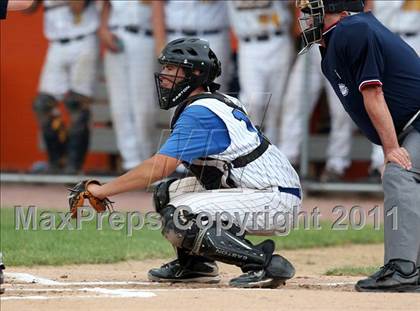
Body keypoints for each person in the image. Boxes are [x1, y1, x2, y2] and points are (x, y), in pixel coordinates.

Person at [82, 38, 301, 288]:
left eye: (171, 69)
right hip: (260, 189)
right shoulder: (212, 102)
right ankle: (196, 266)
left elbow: (158, 167)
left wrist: (102, 190)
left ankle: (263, 263)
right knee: (167, 193)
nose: (164, 76)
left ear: (196, 73)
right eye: (164, 67)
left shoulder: (201, 112)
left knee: (178, 217)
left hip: (271, 198)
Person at [297, 0, 420, 292]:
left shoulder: (353, 29)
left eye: (315, 11)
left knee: (399, 173)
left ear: (341, 12)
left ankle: (403, 270)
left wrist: (390, 150)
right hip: (413, 126)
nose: (307, 18)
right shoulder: (340, 36)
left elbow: (374, 93)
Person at [30, 0, 99, 174]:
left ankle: (73, 167)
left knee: (77, 103)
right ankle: (56, 161)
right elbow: (27, 8)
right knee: (42, 104)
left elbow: (78, 7)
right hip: (55, 43)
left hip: (83, 40)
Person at [278, 44, 353, 182]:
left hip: (338, 46)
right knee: (294, 103)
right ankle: (288, 161)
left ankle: (336, 165)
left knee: (342, 111)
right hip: (311, 47)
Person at [99, 0, 156, 171]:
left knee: (143, 103)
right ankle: (130, 161)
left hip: (143, 36)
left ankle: (146, 158)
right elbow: (106, 6)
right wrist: (103, 30)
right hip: (116, 35)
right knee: (119, 103)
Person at [227, 0, 294, 144]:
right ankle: (251, 144)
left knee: (277, 103)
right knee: (253, 101)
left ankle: (274, 150)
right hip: (248, 42)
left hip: (278, 38)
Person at [368, 0, 420, 182]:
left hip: (415, 39)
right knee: (379, 100)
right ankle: (378, 165)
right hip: (384, 41)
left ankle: (406, 165)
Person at [151, 0, 231, 92]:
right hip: (176, 34)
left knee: (212, 92)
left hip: (211, 34)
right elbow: (157, 4)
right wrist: (160, 43)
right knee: (176, 92)